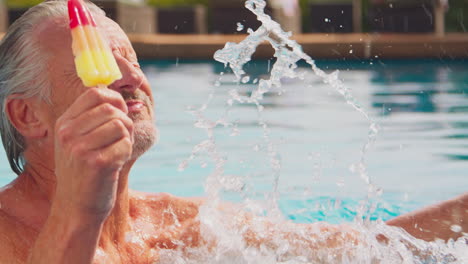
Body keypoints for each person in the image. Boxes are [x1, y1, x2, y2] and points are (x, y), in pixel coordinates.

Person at [0, 1, 466, 263]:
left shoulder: (186, 227)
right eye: (91, 65)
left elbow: (377, 251)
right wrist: (80, 210)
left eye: (132, 58)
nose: (129, 76)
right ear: (27, 116)